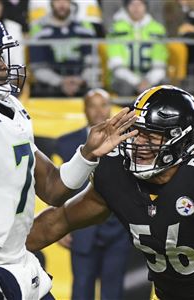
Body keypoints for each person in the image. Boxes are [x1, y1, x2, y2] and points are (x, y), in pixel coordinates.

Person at [0, 12, 138, 299]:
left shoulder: (11, 109)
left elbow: (54, 189)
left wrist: (87, 154)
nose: (3, 65)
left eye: (1, 56)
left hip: (15, 262)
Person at [27, 85, 194, 300]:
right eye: (136, 133)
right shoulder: (116, 175)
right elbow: (58, 221)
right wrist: (0, 251)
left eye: (151, 136)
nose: (139, 143)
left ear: (181, 140)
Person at [55, 88, 130, 300]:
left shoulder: (129, 142)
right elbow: (59, 187)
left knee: (113, 292)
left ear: (110, 107)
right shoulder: (65, 143)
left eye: (103, 104)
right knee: (81, 290)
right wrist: (61, 224)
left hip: (118, 230)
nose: (99, 111)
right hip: (81, 229)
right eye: (93, 105)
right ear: (84, 109)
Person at [29, 0, 99, 97]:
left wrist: (81, 80)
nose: (62, 5)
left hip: (82, 84)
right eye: (58, 1)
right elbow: (37, 67)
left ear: (71, 3)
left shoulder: (85, 28)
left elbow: (93, 62)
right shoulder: (39, 29)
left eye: (65, 1)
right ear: (51, 3)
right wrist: (60, 82)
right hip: (49, 88)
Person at [107, 0, 168, 96]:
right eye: (132, 4)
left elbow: (159, 62)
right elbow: (116, 63)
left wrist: (149, 81)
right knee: (124, 88)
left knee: (164, 88)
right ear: (126, 6)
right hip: (125, 79)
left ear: (146, 6)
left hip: (150, 77)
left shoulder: (157, 29)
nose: (136, 8)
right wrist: (137, 82)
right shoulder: (116, 28)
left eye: (140, 4)